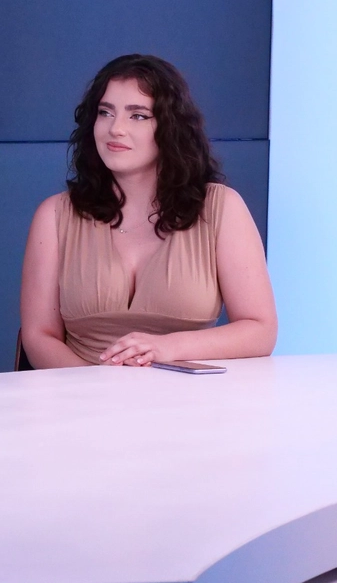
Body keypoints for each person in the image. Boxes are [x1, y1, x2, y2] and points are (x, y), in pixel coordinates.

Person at [20, 54, 277, 368]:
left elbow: (260, 330)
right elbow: (39, 336)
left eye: (138, 116)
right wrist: (93, 389)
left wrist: (167, 347)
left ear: (170, 127)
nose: (116, 129)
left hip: (186, 396)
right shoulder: (54, 215)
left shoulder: (222, 207)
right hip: (78, 392)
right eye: (105, 112)